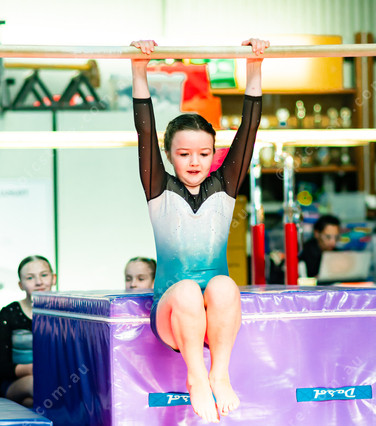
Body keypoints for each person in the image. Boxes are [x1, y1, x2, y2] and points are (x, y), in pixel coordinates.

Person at [131, 37, 268, 422]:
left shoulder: (225, 187)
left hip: (217, 317)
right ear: (168, 155)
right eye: (184, 154)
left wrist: (254, 65)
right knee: (189, 290)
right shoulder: (159, 188)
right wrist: (138, 69)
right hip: (172, 314)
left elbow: (249, 129)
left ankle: (219, 373)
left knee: (223, 284)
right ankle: (196, 376)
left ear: (214, 154)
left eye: (204, 153)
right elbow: (145, 131)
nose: (194, 162)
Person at [0, 255, 56, 407]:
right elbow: (1, 366)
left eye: (44, 275)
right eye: (30, 278)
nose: (39, 282)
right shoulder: (9, 313)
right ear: (20, 284)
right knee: (36, 383)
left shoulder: (67, 312)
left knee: (30, 403)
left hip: (55, 380)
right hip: (18, 383)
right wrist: (34, 369)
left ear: (54, 278)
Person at [298, 214, 341, 278]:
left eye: (336, 237)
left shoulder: (337, 253)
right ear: (317, 234)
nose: (333, 242)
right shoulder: (305, 252)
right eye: (328, 237)